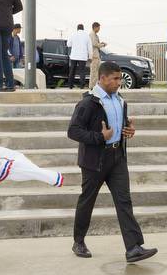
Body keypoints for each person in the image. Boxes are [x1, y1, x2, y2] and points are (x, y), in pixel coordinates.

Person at [67, 62, 157, 263]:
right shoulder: (89, 103)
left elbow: (120, 126)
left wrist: (128, 130)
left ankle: (133, 248)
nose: (119, 83)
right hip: (94, 162)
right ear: (102, 78)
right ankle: (78, 241)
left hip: (117, 158)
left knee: (124, 201)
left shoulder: (120, 100)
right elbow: (73, 131)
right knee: (87, 201)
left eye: (119, 78)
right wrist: (100, 137)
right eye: (115, 79)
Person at [68, 23, 92, 89]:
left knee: (72, 70)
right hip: (82, 56)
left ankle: (70, 85)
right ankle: (81, 86)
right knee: (82, 71)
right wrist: (90, 57)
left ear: (77, 28)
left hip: (74, 56)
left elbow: (68, 44)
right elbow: (90, 47)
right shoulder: (87, 36)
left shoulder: (73, 34)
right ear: (83, 28)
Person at [88, 21, 107, 88]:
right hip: (94, 56)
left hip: (97, 55)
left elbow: (96, 43)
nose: (99, 29)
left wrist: (101, 43)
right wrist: (102, 45)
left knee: (97, 72)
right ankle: (92, 87)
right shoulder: (91, 34)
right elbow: (95, 44)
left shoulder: (95, 35)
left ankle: (96, 86)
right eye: (98, 28)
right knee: (93, 72)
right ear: (95, 27)